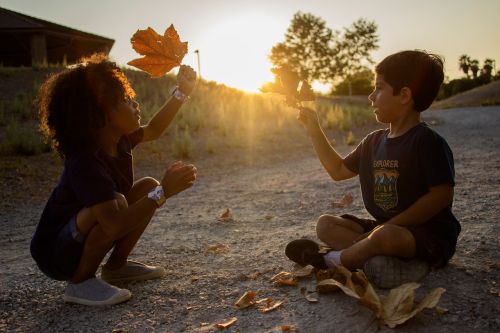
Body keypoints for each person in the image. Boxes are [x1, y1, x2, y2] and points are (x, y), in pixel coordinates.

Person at [30, 53, 198, 305]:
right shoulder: (85, 161)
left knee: (146, 187)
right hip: (55, 254)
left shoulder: (119, 140)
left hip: (88, 234)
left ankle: (116, 267)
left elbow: (154, 129)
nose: (135, 104)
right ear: (101, 114)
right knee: (121, 201)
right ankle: (80, 283)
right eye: (125, 99)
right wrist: (163, 192)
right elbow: (114, 226)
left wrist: (181, 92)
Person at [285, 50, 461, 288]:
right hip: (383, 229)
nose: (371, 96)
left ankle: (330, 260)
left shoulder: (426, 141)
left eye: (378, 88)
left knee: (384, 237)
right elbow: (337, 171)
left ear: (404, 95)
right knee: (325, 224)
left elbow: (441, 195)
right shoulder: (373, 142)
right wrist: (314, 127)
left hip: (427, 236)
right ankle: (382, 262)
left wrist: (389, 227)